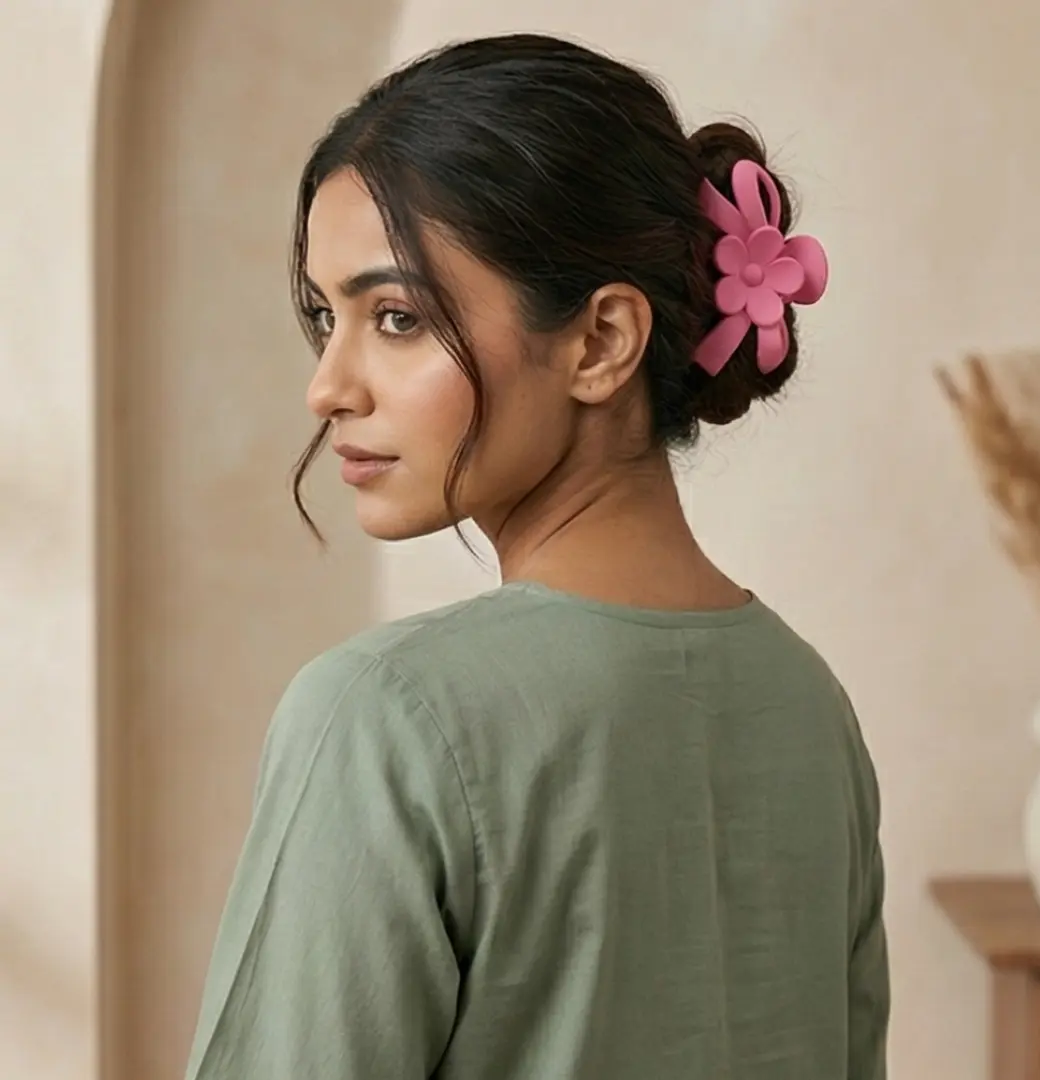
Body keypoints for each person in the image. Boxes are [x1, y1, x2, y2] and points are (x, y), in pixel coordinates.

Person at [184, 32, 888, 1080]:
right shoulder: (808, 706)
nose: (328, 386)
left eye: (395, 317)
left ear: (602, 341)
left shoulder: (384, 718)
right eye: (325, 318)